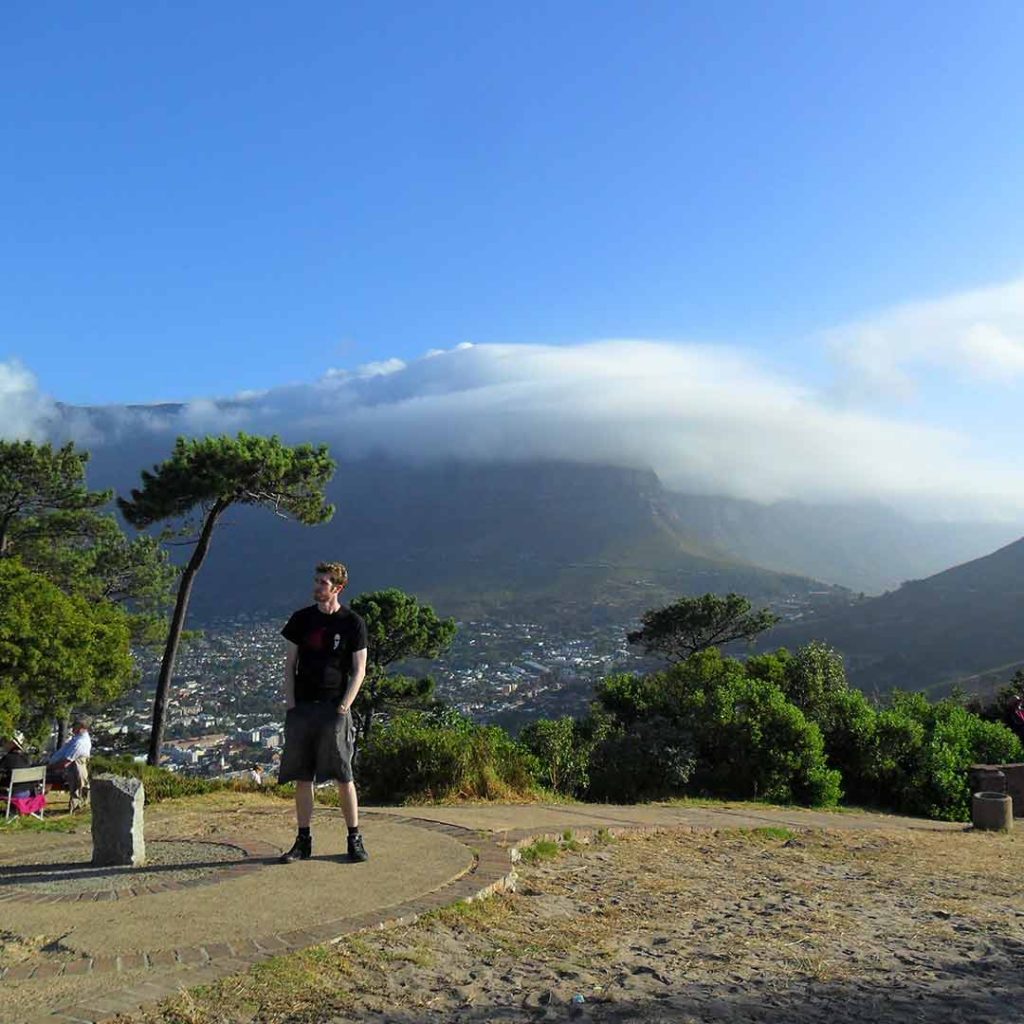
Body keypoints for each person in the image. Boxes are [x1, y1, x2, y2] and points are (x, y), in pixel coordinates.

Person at [278, 561, 369, 863]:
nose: (317, 587)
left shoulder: (352, 623)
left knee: (344, 775)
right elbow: (289, 666)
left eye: (323, 583)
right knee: (303, 777)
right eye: (316, 581)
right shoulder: (301, 620)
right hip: (303, 708)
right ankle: (303, 841)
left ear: (338, 588)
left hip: (334, 709)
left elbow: (359, 670)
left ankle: (354, 838)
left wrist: (344, 707)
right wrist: (292, 705)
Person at [48, 716, 92, 810]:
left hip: (67, 770)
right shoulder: (77, 738)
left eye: (75, 726)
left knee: (38, 779)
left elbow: (65, 763)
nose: (72, 728)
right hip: (62, 767)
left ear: (81, 727)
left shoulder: (80, 743)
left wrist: (49, 767)